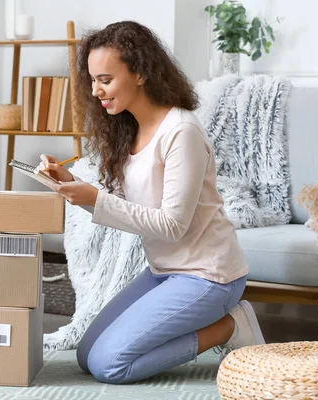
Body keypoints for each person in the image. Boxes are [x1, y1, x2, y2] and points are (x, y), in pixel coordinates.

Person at [38, 20, 265, 385]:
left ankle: (229, 326)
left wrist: (94, 200)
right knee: (86, 354)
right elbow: (133, 205)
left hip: (209, 276)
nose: (96, 90)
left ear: (140, 73)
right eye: (93, 80)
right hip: (164, 271)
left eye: (106, 80)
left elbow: (172, 224)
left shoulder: (182, 132)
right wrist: (75, 186)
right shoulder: (129, 130)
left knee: (109, 364)